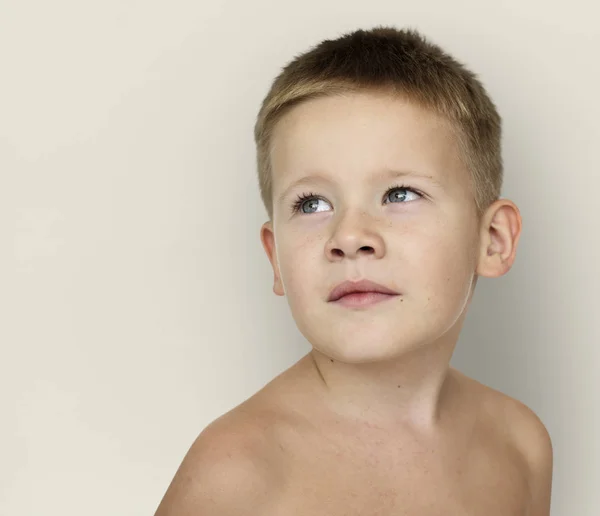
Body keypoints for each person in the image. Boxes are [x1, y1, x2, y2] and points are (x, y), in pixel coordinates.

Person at [154, 26, 553, 515]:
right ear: (275, 256)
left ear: (492, 240)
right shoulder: (238, 477)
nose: (349, 236)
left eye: (400, 194)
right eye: (312, 202)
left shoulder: (520, 444)